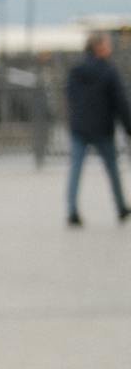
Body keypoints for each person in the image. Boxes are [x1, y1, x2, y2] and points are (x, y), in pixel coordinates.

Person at [64, 30, 131, 227]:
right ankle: (120, 206)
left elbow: (70, 97)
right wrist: (128, 127)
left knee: (75, 169)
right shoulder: (108, 71)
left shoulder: (76, 70)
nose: (109, 48)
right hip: (102, 127)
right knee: (112, 169)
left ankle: (71, 209)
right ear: (99, 47)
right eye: (107, 44)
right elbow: (120, 102)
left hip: (80, 127)